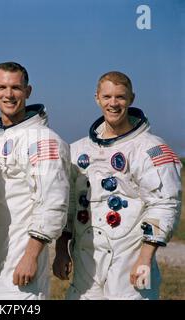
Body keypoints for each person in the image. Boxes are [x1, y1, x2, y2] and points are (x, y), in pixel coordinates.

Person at [52, 71, 182, 300]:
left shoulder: (150, 148)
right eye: (107, 97)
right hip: (87, 260)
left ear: (131, 98)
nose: (113, 103)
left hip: (129, 259)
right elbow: (70, 205)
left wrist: (145, 258)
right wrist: (62, 249)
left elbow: (165, 204)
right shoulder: (79, 151)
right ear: (97, 98)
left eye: (120, 97)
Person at [0, 62, 70, 300]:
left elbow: (52, 203)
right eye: (2, 87)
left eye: (16, 88)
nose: (8, 94)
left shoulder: (44, 140)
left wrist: (31, 257)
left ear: (28, 92)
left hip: (20, 259)